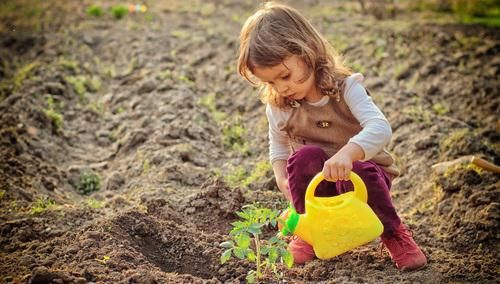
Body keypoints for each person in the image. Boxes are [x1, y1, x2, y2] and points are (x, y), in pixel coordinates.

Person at [237, 2, 427, 271]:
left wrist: (348, 154)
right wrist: (281, 178)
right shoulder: (280, 105)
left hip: (363, 182)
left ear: (307, 51)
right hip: (318, 188)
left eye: (285, 75)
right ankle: (308, 232)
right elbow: (278, 148)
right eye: (270, 82)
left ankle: (393, 233)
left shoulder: (346, 88)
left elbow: (380, 127)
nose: (281, 87)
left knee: (362, 169)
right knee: (304, 157)